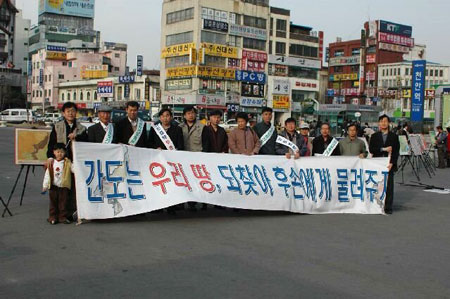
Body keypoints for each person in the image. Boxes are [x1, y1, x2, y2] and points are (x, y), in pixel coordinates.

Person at [148, 108, 184, 215]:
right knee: (159, 183)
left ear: (171, 117)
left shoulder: (177, 129)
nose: (165, 118)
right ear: (160, 118)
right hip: (158, 161)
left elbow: (181, 145)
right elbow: (149, 143)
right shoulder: (155, 129)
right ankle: (158, 206)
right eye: (163, 116)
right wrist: (156, 148)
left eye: (167, 115)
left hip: (171, 161)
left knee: (171, 183)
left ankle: (171, 206)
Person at [369, 114, 400, 214]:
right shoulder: (374, 136)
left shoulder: (394, 137)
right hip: (377, 164)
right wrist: (383, 149)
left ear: (389, 123)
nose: (383, 123)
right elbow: (371, 149)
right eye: (381, 121)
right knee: (376, 184)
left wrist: (392, 163)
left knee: (389, 186)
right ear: (379, 123)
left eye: (385, 121)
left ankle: (388, 207)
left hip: (388, 165)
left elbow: (396, 151)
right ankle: (376, 205)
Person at [179, 107, 205, 211]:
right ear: (184, 115)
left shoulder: (202, 127)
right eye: (188, 113)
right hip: (183, 158)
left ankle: (193, 203)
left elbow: (205, 143)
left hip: (196, 159)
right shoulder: (179, 127)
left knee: (195, 181)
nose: (191, 115)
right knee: (183, 181)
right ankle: (182, 201)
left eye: (193, 113)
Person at [42, 143, 73, 225]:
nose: (60, 154)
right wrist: (45, 186)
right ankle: (52, 217)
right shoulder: (51, 163)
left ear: (65, 153)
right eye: (58, 152)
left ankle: (62, 217)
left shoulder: (67, 163)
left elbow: (73, 169)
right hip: (53, 186)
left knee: (63, 202)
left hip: (63, 186)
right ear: (54, 152)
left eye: (62, 152)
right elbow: (47, 175)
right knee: (53, 203)